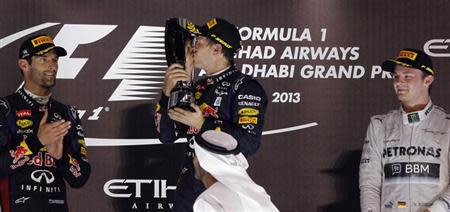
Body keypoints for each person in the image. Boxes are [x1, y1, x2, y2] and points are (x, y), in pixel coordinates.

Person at [155, 17, 268, 211]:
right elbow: (166, 135)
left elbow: (249, 142)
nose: (192, 47)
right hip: (187, 188)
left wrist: (203, 124)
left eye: (198, 42)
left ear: (216, 49)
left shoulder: (245, 87)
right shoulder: (196, 87)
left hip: (221, 188)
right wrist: (168, 93)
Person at [0, 34, 90, 212]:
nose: (52, 66)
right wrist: (35, 142)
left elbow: (80, 178)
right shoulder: (5, 108)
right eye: (43, 59)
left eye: (55, 60)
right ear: (24, 65)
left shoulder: (67, 113)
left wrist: (62, 157)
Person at [359, 48, 450, 212]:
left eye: (407, 76)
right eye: (396, 77)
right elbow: (369, 183)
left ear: (427, 80)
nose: (399, 82)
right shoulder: (379, 125)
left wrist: (435, 210)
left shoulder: (447, 125)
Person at [192, 130, 278, 211]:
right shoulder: (258, 196)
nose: (193, 160)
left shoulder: (207, 201)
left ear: (204, 163)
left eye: (195, 156)